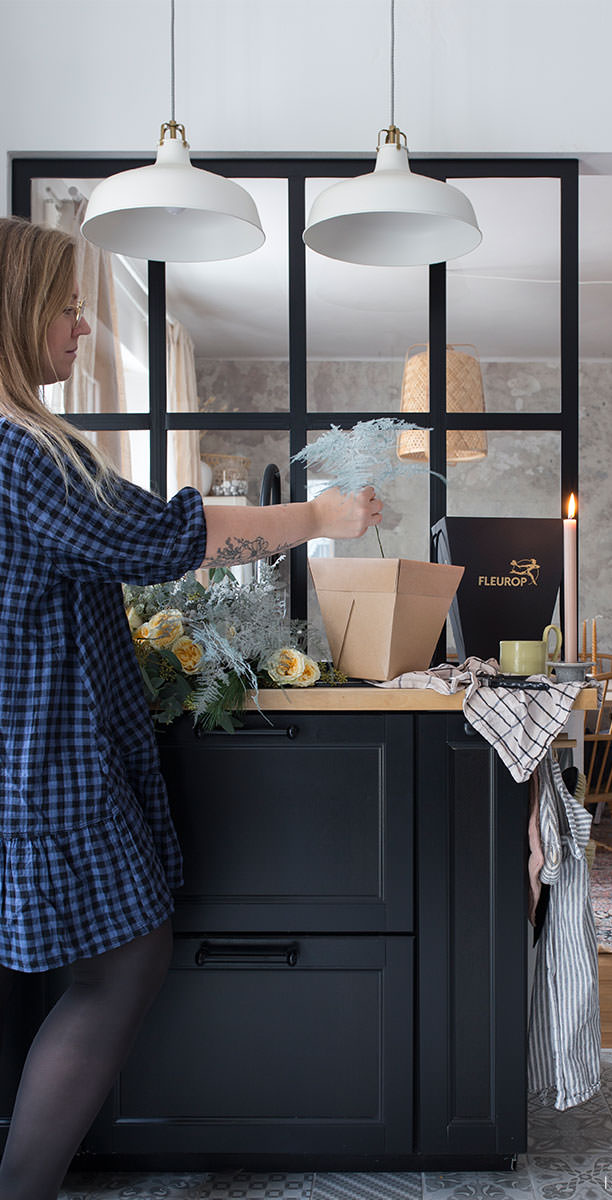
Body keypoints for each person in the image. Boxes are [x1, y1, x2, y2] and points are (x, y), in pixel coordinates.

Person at [0, 215, 382, 1200]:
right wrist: (321, 517)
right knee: (124, 965)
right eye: (66, 308)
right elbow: (173, 536)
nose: (81, 329)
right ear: (14, 314)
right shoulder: (22, 456)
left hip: (29, 757)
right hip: (41, 767)